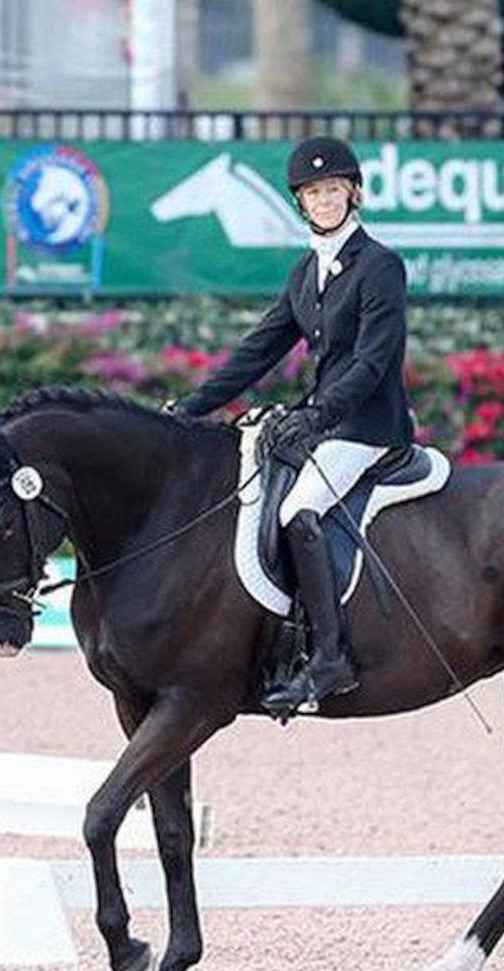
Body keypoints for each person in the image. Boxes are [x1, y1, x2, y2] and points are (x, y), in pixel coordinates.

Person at [174, 135, 415, 712]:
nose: (325, 200)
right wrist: (191, 408)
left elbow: (373, 361)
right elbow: (259, 351)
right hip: (327, 423)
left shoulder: (380, 266)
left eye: (333, 189)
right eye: (313, 192)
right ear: (300, 203)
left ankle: (331, 659)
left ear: (353, 193)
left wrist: (317, 415)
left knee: (297, 510)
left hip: (368, 428)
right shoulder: (305, 273)